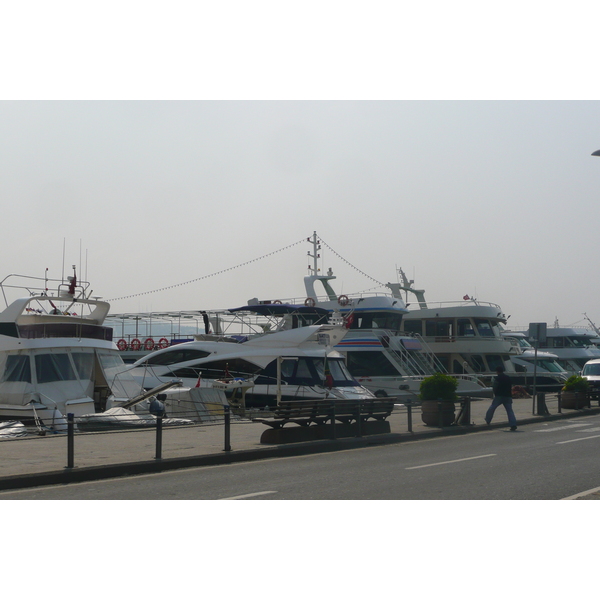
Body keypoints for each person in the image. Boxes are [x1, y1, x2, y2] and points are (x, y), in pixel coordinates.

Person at [485, 366, 517, 431]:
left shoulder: (497, 378)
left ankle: (488, 420)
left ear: (497, 371)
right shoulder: (508, 377)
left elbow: (495, 387)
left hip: (499, 396)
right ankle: (513, 424)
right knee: (510, 411)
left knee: (492, 407)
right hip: (508, 396)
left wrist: (495, 394)